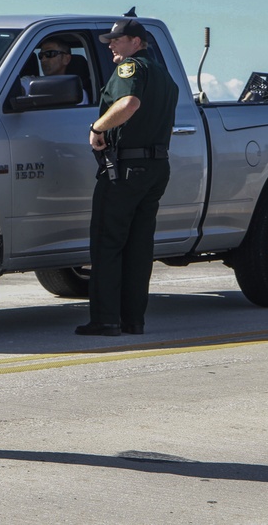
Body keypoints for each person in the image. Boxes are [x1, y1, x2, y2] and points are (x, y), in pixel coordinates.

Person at [76, 18, 178, 337]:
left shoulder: (131, 68)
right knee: (138, 247)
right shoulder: (164, 74)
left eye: (116, 40)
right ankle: (133, 320)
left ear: (136, 42)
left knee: (108, 243)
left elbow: (129, 102)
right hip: (155, 167)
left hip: (125, 170)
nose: (110, 46)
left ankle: (106, 319)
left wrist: (98, 128)